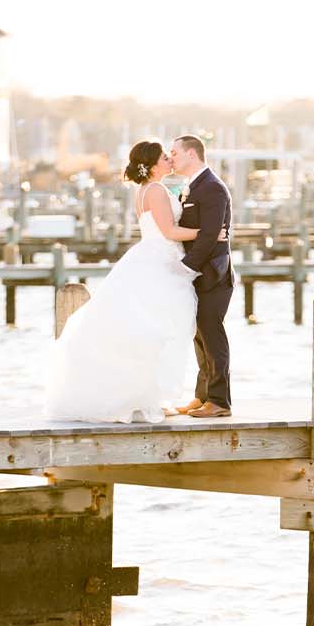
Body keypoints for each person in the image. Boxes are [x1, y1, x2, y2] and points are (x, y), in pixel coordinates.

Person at [42, 140, 226, 423]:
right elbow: (170, 231)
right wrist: (209, 233)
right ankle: (149, 396)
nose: (170, 160)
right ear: (153, 165)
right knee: (157, 330)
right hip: (161, 260)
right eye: (165, 157)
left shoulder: (144, 190)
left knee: (147, 330)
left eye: (171, 155)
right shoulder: (157, 190)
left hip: (149, 258)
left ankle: (153, 395)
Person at [169, 135, 234, 418]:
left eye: (174, 152)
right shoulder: (193, 186)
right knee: (200, 336)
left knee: (212, 334)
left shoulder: (212, 188)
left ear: (192, 154)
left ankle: (220, 402)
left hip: (213, 274)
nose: (171, 158)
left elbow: (209, 236)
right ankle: (202, 395)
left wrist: (186, 267)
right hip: (199, 274)